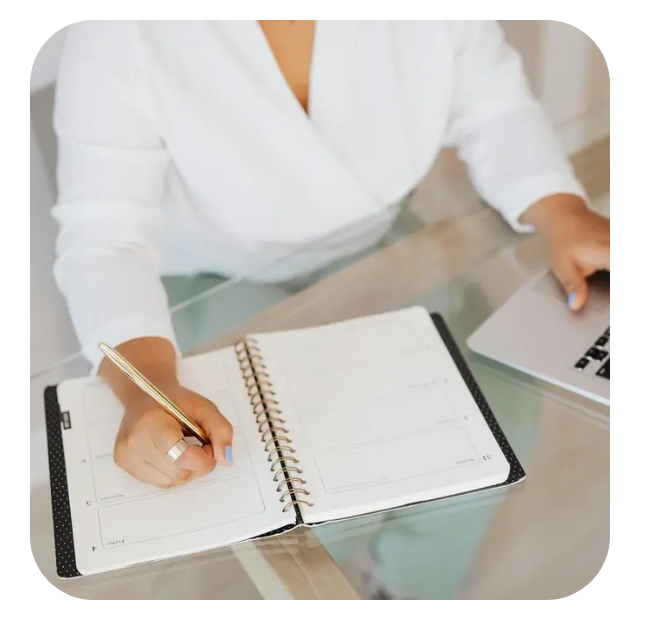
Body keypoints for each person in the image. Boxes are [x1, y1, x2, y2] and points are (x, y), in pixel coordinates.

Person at [52, 20, 610, 491]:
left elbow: (493, 107)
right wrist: (149, 384)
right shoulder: (117, 32)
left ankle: (413, 577)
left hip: (379, 243)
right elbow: (106, 236)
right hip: (209, 275)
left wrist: (560, 209)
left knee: (498, 430)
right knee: (299, 470)